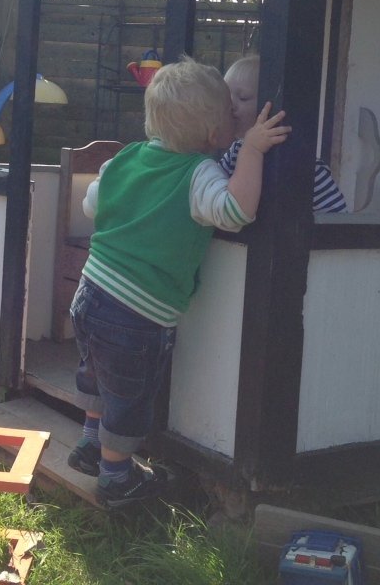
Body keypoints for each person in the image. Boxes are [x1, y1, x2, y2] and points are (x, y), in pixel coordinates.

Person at [67, 55, 292, 508]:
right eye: (229, 113)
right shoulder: (199, 173)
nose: (235, 117)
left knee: (96, 375)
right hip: (134, 314)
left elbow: (92, 203)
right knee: (129, 398)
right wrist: (252, 151)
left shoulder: (127, 157)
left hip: (89, 293)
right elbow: (236, 211)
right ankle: (115, 479)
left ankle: (90, 444)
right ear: (213, 134)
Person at [220, 54, 347, 212]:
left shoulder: (303, 163)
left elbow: (336, 217)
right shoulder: (234, 153)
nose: (231, 106)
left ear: (272, 106)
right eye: (226, 98)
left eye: (243, 98)